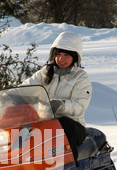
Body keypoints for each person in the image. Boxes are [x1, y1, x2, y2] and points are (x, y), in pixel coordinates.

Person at [22, 31, 92, 163]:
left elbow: (80, 106)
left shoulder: (81, 77)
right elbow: (27, 86)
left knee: (63, 125)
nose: (61, 59)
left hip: (73, 124)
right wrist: (9, 95)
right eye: (58, 55)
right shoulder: (45, 72)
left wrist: (60, 105)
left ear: (75, 56)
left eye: (66, 55)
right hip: (45, 121)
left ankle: (68, 166)